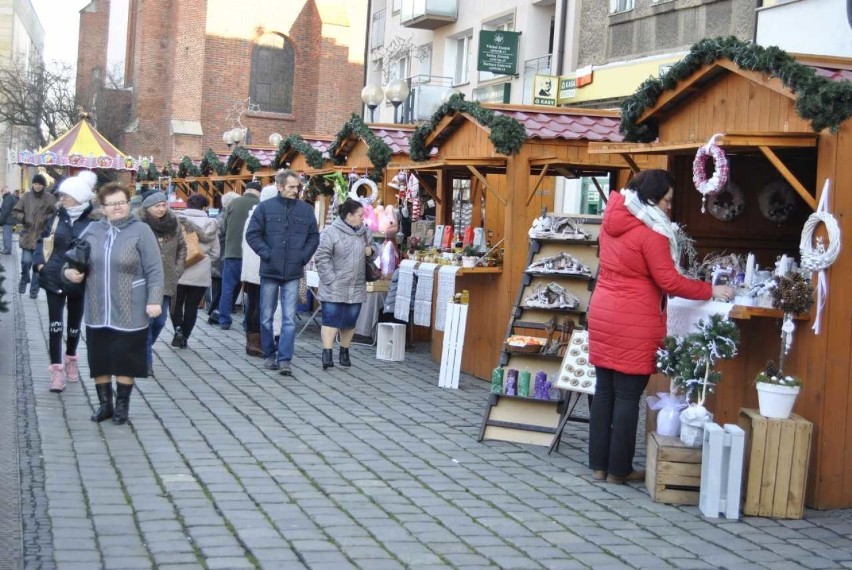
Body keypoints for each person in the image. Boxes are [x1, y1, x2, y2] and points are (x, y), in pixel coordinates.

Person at [586, 169, 734, 485]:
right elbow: (668, 281)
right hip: (634, 319)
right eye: (667, 200)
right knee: (627, 397)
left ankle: (599, 465)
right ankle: (619, 470)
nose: (669, 207)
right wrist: (711, 291)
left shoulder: (612, 223)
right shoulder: (651, 233)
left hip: (602, 311)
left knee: (604, 392)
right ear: (653, 198)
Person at [63, 182, 164, 425]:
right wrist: (69, 273)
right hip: (98, 307)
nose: (117, 207)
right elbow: (75, 260)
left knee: (124, 359)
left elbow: (155, 269)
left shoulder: (141, 231)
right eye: (112, 204)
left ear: (128, 204)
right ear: (103, 207)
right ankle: (105, 405)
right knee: (100, 358)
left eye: (121, 202)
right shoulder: (92, 230)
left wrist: (154, 300)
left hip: (131, 306)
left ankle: (122, 407)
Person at [246, 169, 319, 376]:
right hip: (270, 269)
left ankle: (285, 359)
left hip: (294, 270)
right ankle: (269, 353)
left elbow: (314, 237)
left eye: (297, 187)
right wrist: (266, 253)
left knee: (289, 318)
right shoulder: (265, 208)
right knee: (266, 315)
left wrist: (302, 256)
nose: (295, 191)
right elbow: (253, 234)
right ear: (279, 186)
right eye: (291, 187)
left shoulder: (305, 211)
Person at [33, 172, 100, 392]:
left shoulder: (95, 220)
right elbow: (41, 239)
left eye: (66, 195)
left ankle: (71, 358)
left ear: (79, 197)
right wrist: (40, 264)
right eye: (61, 195)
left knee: (73, 325)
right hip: (53, 276)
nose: (61, 199)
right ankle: (57, 371)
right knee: (55, 325)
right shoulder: (55, 216)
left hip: (80, 279)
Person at [314, 198, 378, 370]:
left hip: (356, 285)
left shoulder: (365, 232)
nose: (362, 218)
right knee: (331, 319)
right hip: (334, 285)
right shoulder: (331, 232)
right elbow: (321, 257)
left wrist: (371, 251)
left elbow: (373, 250)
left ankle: (344, 351)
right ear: (349, 216)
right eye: (359, 215)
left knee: (349, 321)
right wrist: (330, 279)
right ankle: (327, 353)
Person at [135, 192, 186, 377]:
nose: (161, 209)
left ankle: (141, 349)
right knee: (147, 322)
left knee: (160, 321)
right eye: (157, 205)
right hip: (143, 280)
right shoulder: (138, 225)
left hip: (166, 279)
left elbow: (182, 248)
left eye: (164, 205)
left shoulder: (174, 224)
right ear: (148, 207)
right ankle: (146, 361)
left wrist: (178, 268)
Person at [172, 193, 220, 348]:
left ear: (187, 204)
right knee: (192, 306)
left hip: (177, 269)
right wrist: (203, 260)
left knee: (176, 303)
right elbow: (215, 253)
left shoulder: (176, 221)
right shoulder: (211, 223)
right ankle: (185, 337)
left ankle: (178, 329)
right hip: (201, 271)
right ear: (204, 207)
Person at [240, 185, 278, 357]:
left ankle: (252, 341)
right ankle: (257, 342)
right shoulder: (265, 216)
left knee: (253, 304)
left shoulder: (253, 215)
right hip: (260, 266)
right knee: (260, 306)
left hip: (251, 266)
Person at [218, 183, 260, 330]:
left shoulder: (233, 203)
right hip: (253, 254)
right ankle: (247, 322)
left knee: (228, 288)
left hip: (232, 252)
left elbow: (222, 228)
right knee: (251, 290)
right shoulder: (261, 205)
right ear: (258, 192)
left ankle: (224, 320)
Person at [13, 174, 56, 298]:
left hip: (42, 237)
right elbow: (16, 211)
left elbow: (56, 213)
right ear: (33, 184)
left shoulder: (50, 198)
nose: (37, 186)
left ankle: (34, 291)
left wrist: (47, 219)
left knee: (37, 267)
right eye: (35, 184)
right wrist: (24, 218)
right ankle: (24, 278)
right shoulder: (26, 196)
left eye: (40, 184)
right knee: (26, 262)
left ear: (43, 185)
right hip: (28, 235)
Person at [207, 190, 240, 324]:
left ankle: (217, 311)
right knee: (220, 287)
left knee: (222, 286)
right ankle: (215, 312)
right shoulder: (223, 218)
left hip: (223, 256)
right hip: (222, 256)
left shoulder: (223, 216)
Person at [0, 186, 19, 254]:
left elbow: (5, 211)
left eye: (2, 191)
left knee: (6, 235)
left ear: (4, 191)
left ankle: (7, 249)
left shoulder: (7, 198)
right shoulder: (10, 197)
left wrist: (1, 221)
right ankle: (7, 248)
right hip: (11, 219)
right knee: (7, 235)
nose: (1, 193)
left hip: (8, 220)